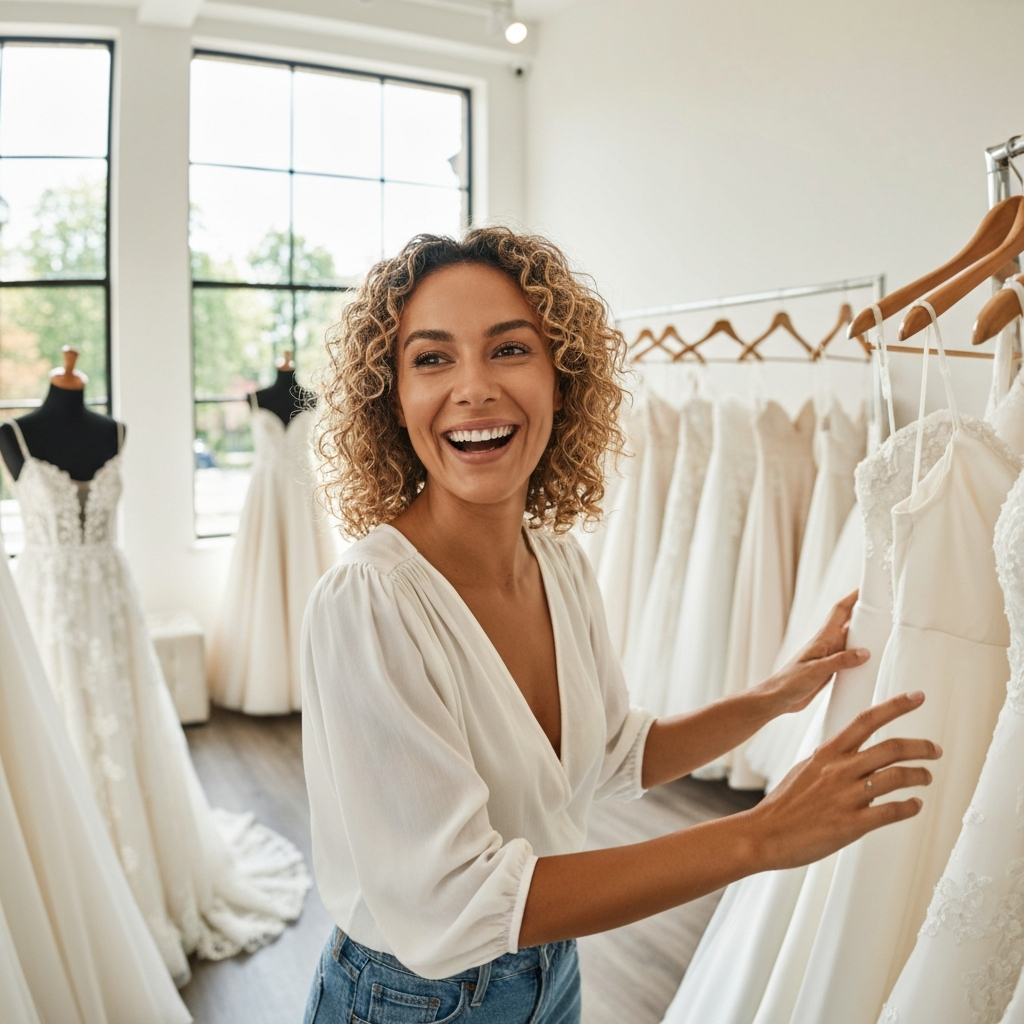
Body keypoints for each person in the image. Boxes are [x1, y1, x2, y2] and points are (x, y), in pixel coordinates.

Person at [300, 227, 940, 1024]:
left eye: (509, 350)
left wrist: (777, 696)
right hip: (409, 1002)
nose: (473, 388)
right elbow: (458, 900)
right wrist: (760, 836)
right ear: (391, 399)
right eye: (432, 358)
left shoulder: (558, 563)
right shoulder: (369, 602)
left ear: (561, 379)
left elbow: (610, 755)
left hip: (554, 969)